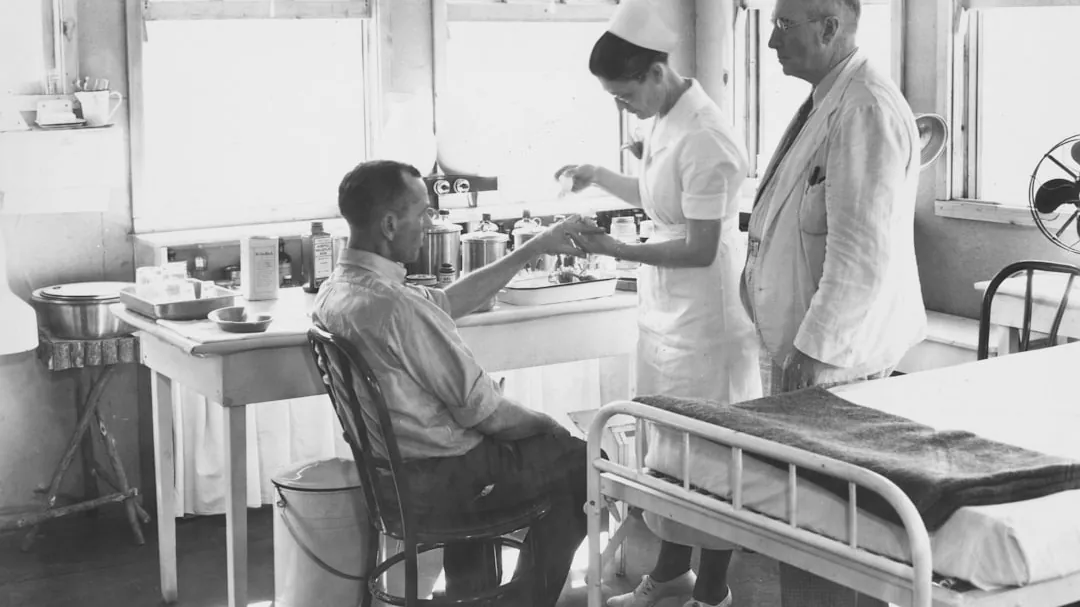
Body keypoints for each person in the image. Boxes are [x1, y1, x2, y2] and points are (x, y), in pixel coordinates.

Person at [311, 159, 604, 607]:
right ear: (390, 224)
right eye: (423, 212)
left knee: (481, 451)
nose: (429, 224)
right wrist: (552, 426)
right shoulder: (396, 309)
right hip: (442, 483)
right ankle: (522, 602)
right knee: (586, 464)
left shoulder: (339, 290)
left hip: (394, 478)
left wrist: (536, 246)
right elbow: (491, 415)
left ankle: (478, 594)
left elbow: (447, 302)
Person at [556, 1, 763, 606]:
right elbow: (659, 197)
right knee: (671, 457)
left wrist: (619, 248)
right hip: (671, 317)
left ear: (654, 74)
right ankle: (672, 578)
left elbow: (699, 246)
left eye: (623, 95)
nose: (623, 108)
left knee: (714, 465)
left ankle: (712, 593)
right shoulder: (667, 119)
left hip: (709, 320)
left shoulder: (708, 137)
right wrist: (598, 173)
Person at [741, 0, 927, 604]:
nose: (771, 43)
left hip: (833, 358)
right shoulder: (830, 97)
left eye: (781, 26)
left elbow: (860, 255)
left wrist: (811, 356)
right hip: (804, 347)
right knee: (807, 529)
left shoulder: (865, 106)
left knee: (833, 534)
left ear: (829, 27)